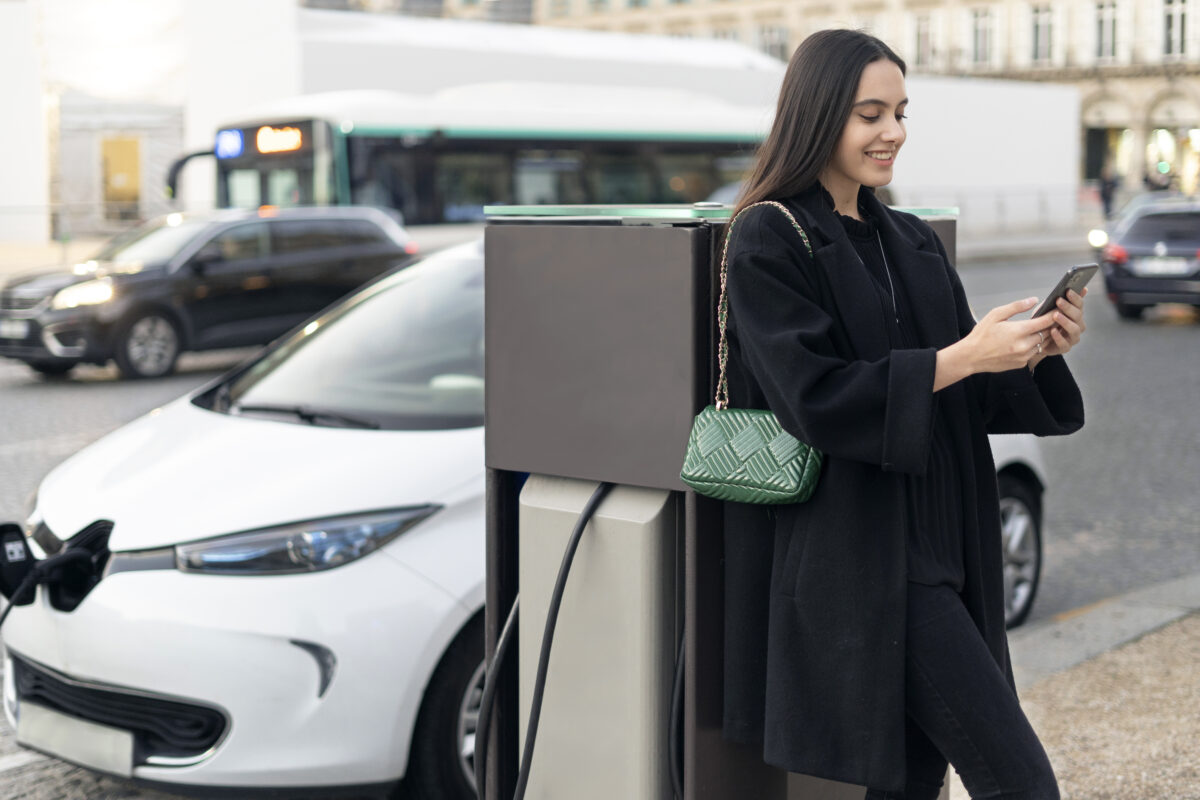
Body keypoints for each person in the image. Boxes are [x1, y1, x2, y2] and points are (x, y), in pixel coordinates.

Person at [719, 29, 1087, 800]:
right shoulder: (768, 236)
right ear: (819, 117)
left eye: (901, 112)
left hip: (951, 543)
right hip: (869, 561)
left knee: (913, 783)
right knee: (1021, 781)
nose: (893, 132)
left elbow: (964, 395)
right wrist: (964, 356)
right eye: (870, 115)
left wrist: (1032, 350)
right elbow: (814, 399)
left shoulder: (910, 238)